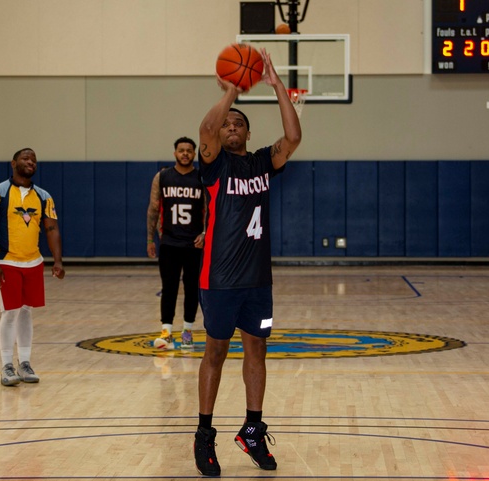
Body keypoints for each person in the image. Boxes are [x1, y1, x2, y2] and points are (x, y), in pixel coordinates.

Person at [192, 50, 301, 477]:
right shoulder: (213, 164)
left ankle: (252, 429)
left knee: (257, 348)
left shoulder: (261, 162)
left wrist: (277, 86)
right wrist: (232, 90)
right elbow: (204, 127)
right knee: (216, 351)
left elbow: (292, 138)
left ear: (247, 132)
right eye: (226, 124)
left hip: (257, 279)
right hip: (219, 277)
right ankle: (204, 435)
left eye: (238, 123)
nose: (230, 127)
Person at [0, 148, 64, 387]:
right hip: (7, 261)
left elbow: (52, 229)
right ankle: (7, 365)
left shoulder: (43, 196)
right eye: (26, 159)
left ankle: (24, 363)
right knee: (10, 312)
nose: (31, 162)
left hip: (33, 262)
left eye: (34, 160)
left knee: (26, 311)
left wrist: (57, 261)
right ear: (13, 163)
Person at [146, 137, 205, 350]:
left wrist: (205, 233)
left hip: (194, 244)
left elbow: (209, 209)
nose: (185, 154)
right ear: (175, 153)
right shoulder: (162, 177)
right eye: (182, 150)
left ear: (194, 153)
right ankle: (167, 333)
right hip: (169, 242)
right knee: (169, 288)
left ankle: (188, 332)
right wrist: (150, 239)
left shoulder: (201, 177)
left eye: (189, 150)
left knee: (192, 289)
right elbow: (153, 209)